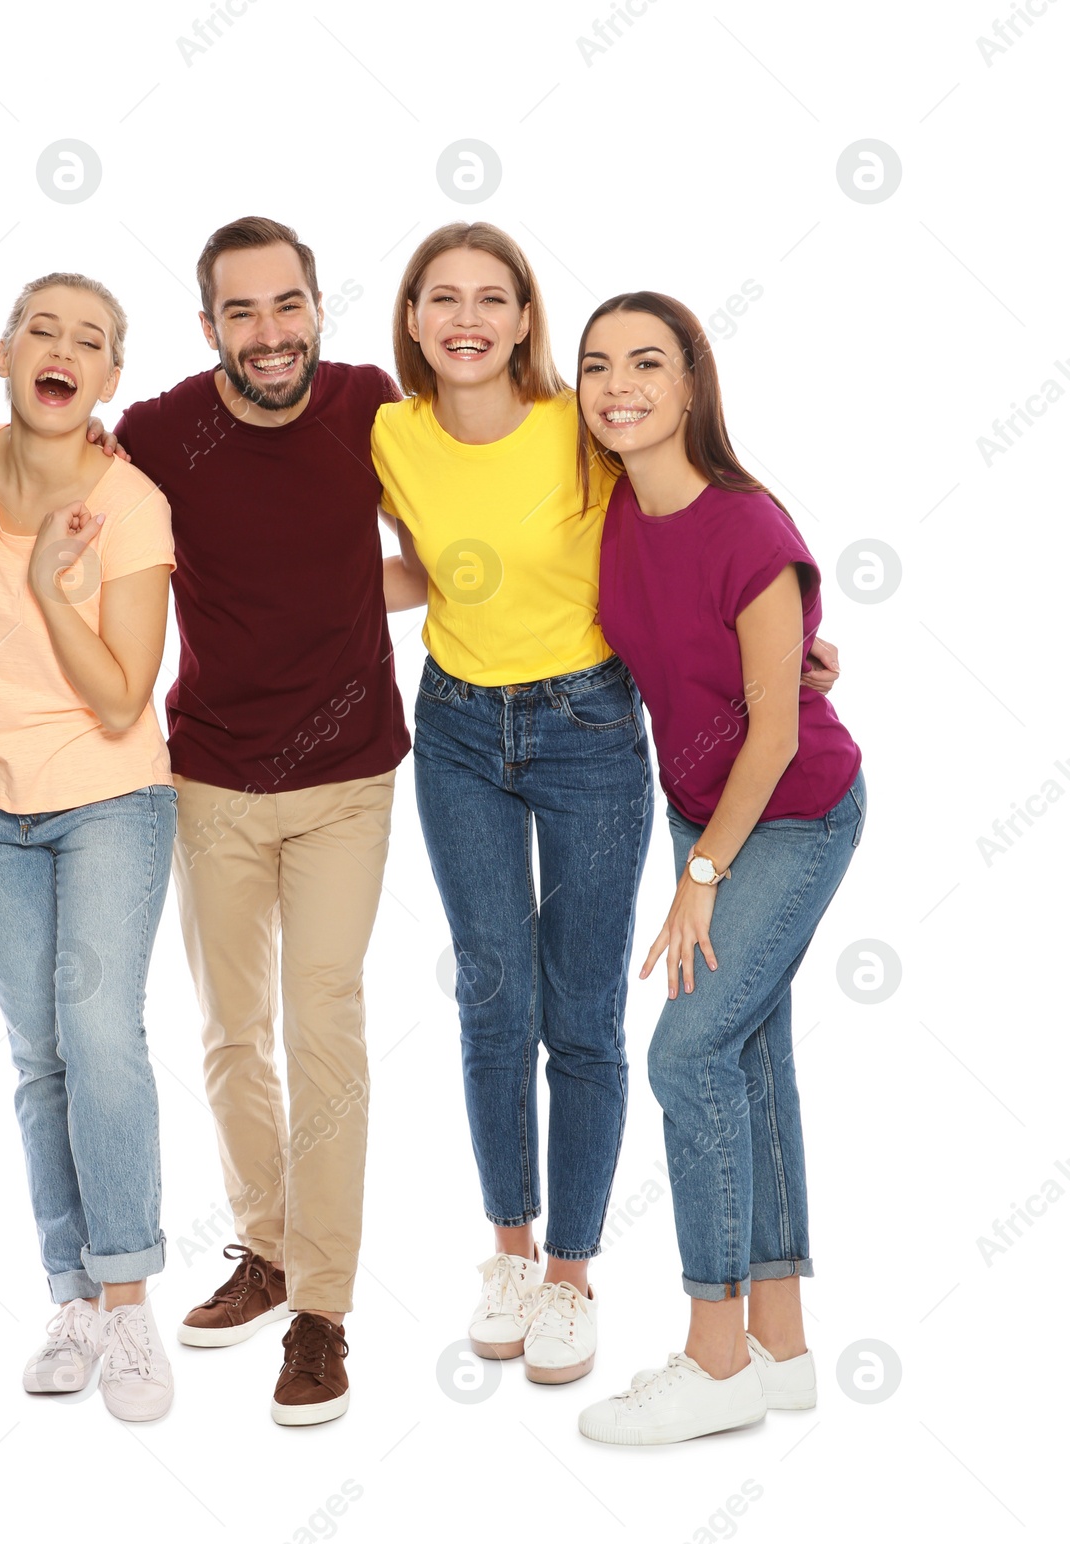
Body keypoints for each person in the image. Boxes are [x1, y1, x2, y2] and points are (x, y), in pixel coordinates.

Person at [370, 224, 840, 1390]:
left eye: (493, 296)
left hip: (593, 736)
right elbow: (442, 563)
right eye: (443, 297)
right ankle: (513, 1258)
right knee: (492, 993)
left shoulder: (582, 439)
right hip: (461, 730)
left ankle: (579, 1280)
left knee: (586, 1012)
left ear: (527, 319)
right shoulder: (392, 432)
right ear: (413, 316)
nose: (466, 316)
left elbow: (712, 561)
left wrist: (782, 655)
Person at [113, 217, 413, 1426]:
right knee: (232, 1028)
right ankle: (265, 1245)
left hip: (346, 775)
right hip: (214, 776)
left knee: (323, 1019)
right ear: (209, 329)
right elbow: (71, 544)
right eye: (241, 313)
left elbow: (454, 544)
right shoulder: (159, 431)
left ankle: (323, 1311)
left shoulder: (369, 406)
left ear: (317, 308)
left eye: (285, 306)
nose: (269, 332)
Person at [572, 292, 864, 1445]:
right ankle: (780, 1348)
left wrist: (700, 878)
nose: (618, 384)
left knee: (685, 1050)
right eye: (597, 366)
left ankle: (712, 1355)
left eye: (647, 362)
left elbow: (780, 734)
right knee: (745, 1055)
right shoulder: (608, 512)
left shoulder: (746, 524)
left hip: (792, 812)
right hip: (703, 814)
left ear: (692, 385)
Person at [0, 272, 179, 1423]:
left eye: (91, 339)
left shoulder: (127, 503)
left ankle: (129, 1304)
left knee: (98, 1032)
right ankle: (71, 1296)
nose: (63, 347)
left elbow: (127, 700)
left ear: (108, 382)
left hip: (108, 799)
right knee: (37, 1053)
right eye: (44, 327)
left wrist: (45, 583)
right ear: (2, 351)